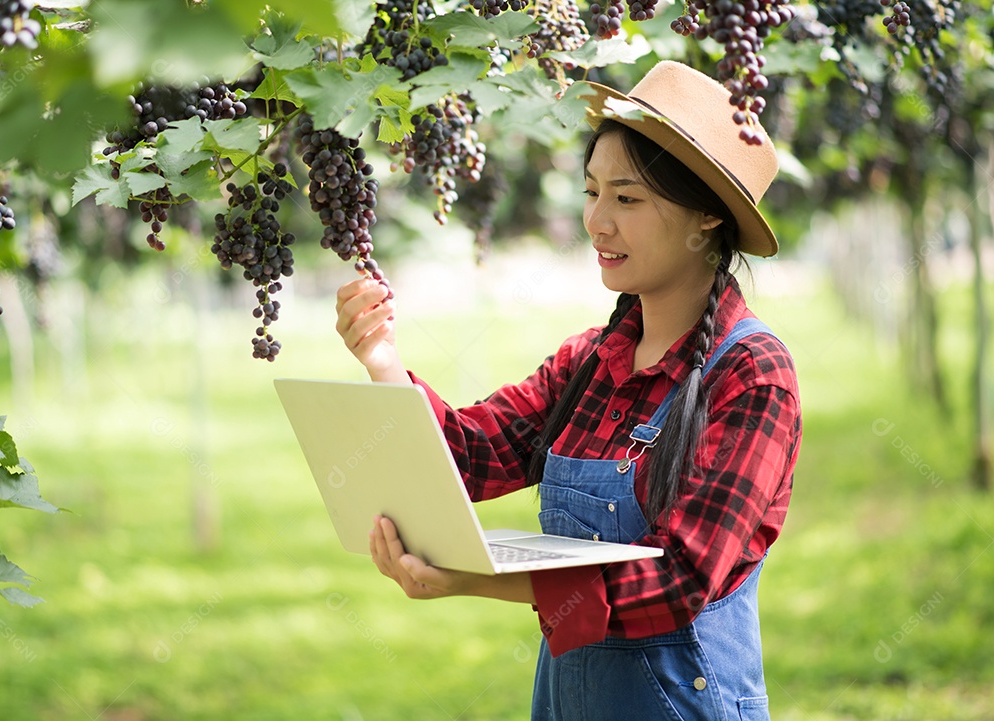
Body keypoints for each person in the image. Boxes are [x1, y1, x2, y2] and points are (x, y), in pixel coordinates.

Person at [333, 60, 801, 721]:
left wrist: (477, 578)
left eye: (627, 199)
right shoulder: (589, 364)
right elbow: (468, 456)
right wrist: (381, 358)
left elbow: (680, 579)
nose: (597, 222)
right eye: (591, 192)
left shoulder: (752, 374)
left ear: (705, 217)